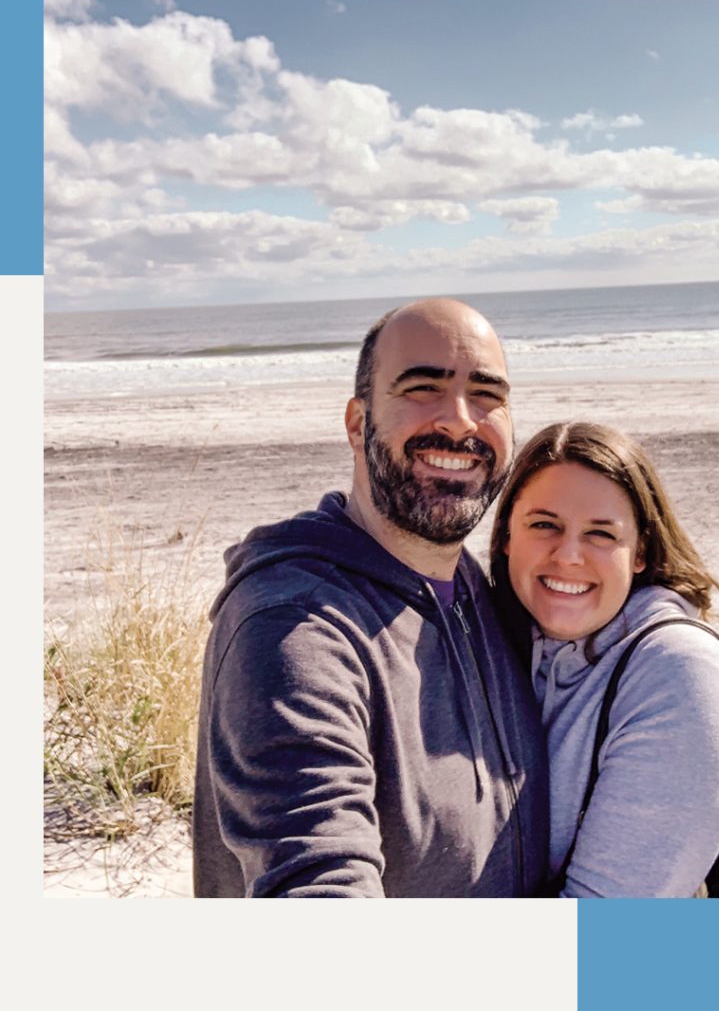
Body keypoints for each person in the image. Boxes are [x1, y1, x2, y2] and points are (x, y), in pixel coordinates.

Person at [192, 298, 549, 897]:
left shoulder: (474, 588)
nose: (461, 420)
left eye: (487, 394)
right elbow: (316, 882)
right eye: (422, 387)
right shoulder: (295, 628)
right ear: (358, 424)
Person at [489, 421, 719, 898]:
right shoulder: (488, 643)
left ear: (640, 552)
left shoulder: (677, 671)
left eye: (601, 534)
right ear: (507, 534)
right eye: (544, 525)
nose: (568, 556)